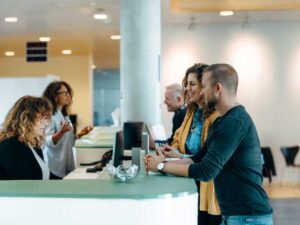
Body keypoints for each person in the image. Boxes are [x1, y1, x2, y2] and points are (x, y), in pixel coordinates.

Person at [145, 64, 273, 225]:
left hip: (247, 217)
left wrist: (161, 167)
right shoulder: (222, 121)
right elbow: (198, 158)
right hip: (235, 215)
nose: (202, 91)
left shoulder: (233, 123)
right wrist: (160, 163)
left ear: (217, 88)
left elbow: (206, 171)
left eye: (204, 86)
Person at [161, 64, 221, 225]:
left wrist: (180, 156)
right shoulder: (191, 113)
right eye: (186, 84)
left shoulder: (216, 118)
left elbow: (209, 160)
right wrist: (170, 149)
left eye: (192, 84)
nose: (187, 88)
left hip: (209, 188)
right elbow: (177, 137)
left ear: (205, 86)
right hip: (190, 180)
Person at [42, 81, 93, 178]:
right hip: (53, 166)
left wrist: (80, 134)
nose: (68, 96)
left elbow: (66, 140)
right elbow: (47, 141)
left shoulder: (64, 115)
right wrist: (62, 132)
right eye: (64, 93)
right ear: (54, 96)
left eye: (68, 93)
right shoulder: (50, 116)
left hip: (65, 163)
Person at [0, 96, 58, 180]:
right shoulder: (11, 146)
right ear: (26, 119)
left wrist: (69, 181)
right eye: (41, 118)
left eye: (47, 118)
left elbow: (47, 175)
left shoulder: (32, 143)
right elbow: (23, 186)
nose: (46, 123)